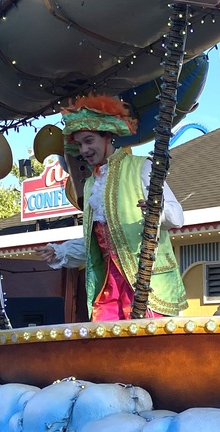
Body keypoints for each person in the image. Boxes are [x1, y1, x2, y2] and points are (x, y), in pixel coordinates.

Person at [36, 95, 187, 320]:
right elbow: (98, 245)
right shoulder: (89, 185)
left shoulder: (141, 167)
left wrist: (157, 211)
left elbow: (177, 218)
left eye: (89, 141)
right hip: (108, 286)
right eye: (79, 145)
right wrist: (62, 251)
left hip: (147, 282)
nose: (84, 150)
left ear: (108, 137)